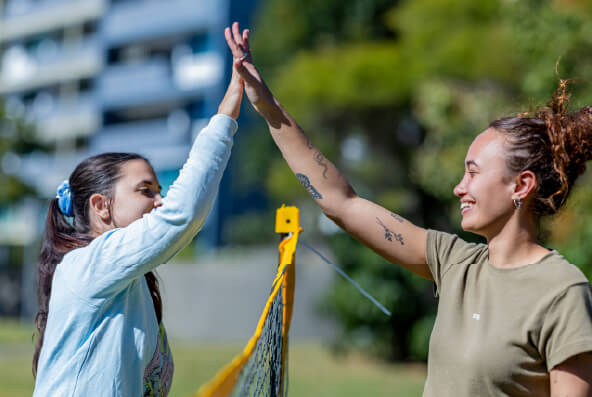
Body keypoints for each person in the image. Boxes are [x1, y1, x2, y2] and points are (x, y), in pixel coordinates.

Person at [224, 22, 592, 397]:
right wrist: (266, 105)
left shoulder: (562, 292)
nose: (458, 187)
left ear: (521, 185)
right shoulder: (454, 263)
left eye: (473, 172)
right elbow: (342, 204)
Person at [32, 56, 245, 396]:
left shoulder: (132, 283)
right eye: (146, 190)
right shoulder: (89, 264)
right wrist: (227, 115)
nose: (159, 202)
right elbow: (183, 213)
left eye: (159, 191)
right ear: (101, 206)